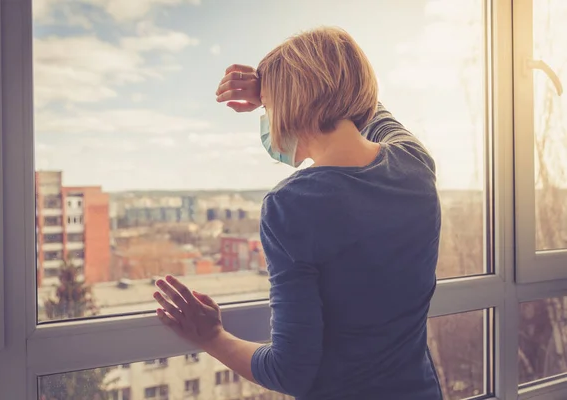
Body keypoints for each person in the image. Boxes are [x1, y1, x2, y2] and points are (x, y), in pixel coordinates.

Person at [153, 27, 442, 400]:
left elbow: (289, 371)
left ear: (293, 105)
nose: (267, 119)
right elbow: (365, 105)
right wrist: (282, 85)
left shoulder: (292, 206)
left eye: (268, 107)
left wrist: (211, 336)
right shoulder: (414, 163)